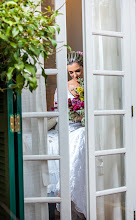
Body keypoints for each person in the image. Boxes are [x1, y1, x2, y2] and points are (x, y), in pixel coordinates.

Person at [47, 51, 86, 220]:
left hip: (84, 126)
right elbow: (58, 113)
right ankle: (66, 191)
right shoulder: (61, 88)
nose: (74, 75)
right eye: (71, 72)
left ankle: (71, 192)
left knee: (84, 133)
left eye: (77, 71)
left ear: (83, 68)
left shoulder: (88, 85)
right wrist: (74, 115)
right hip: (69, 127)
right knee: (81, 135)